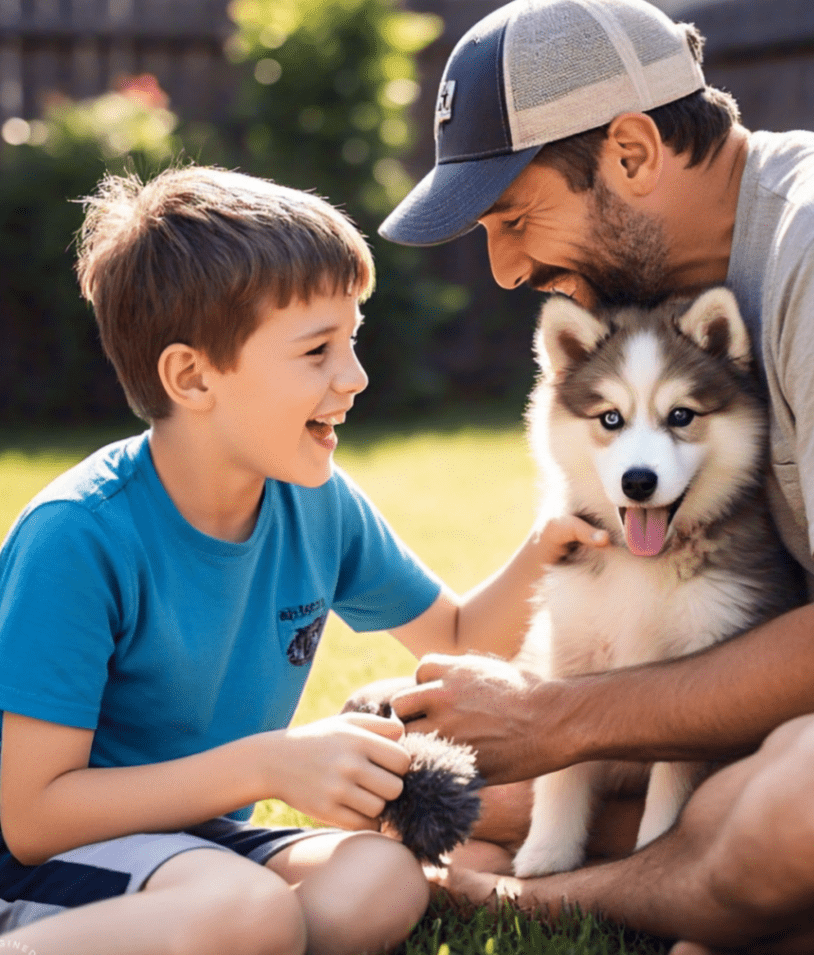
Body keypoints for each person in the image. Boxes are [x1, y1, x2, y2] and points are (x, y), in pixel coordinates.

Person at [376, 0, 814, 952]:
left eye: (514, 218)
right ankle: (707, 882)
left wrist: (556, 717)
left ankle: (530, 899)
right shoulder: (699, 292)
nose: (506, 270)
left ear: (631, 152)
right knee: (424, 771)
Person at [0, 166, 603, 955]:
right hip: (41, 865)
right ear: (191, 376)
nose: (353, 377)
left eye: (351, 341)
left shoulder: (316, 503)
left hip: (200, 846)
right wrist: (268, 765)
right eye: (318, 349)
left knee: (385, 878)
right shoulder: (79, 536)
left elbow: (455, 635)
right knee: (247, 913)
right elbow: (35, 815)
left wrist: (549, 541)